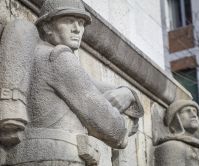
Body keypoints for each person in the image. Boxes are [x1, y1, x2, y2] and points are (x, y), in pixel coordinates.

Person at [1, 0, 143, 165]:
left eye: (81, 23)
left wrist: (128, 92)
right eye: (69, 21)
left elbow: (94, 86)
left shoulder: (36, 56)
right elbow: (106, 123)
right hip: (59, 157)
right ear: (47, 27)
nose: (77, 29)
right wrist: (125, 124)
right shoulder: (59, 58)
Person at [154, 100, 199, 166]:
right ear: (176, 118)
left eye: (195, 111)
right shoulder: (173, 146)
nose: (194, 115)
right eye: (187, 111)